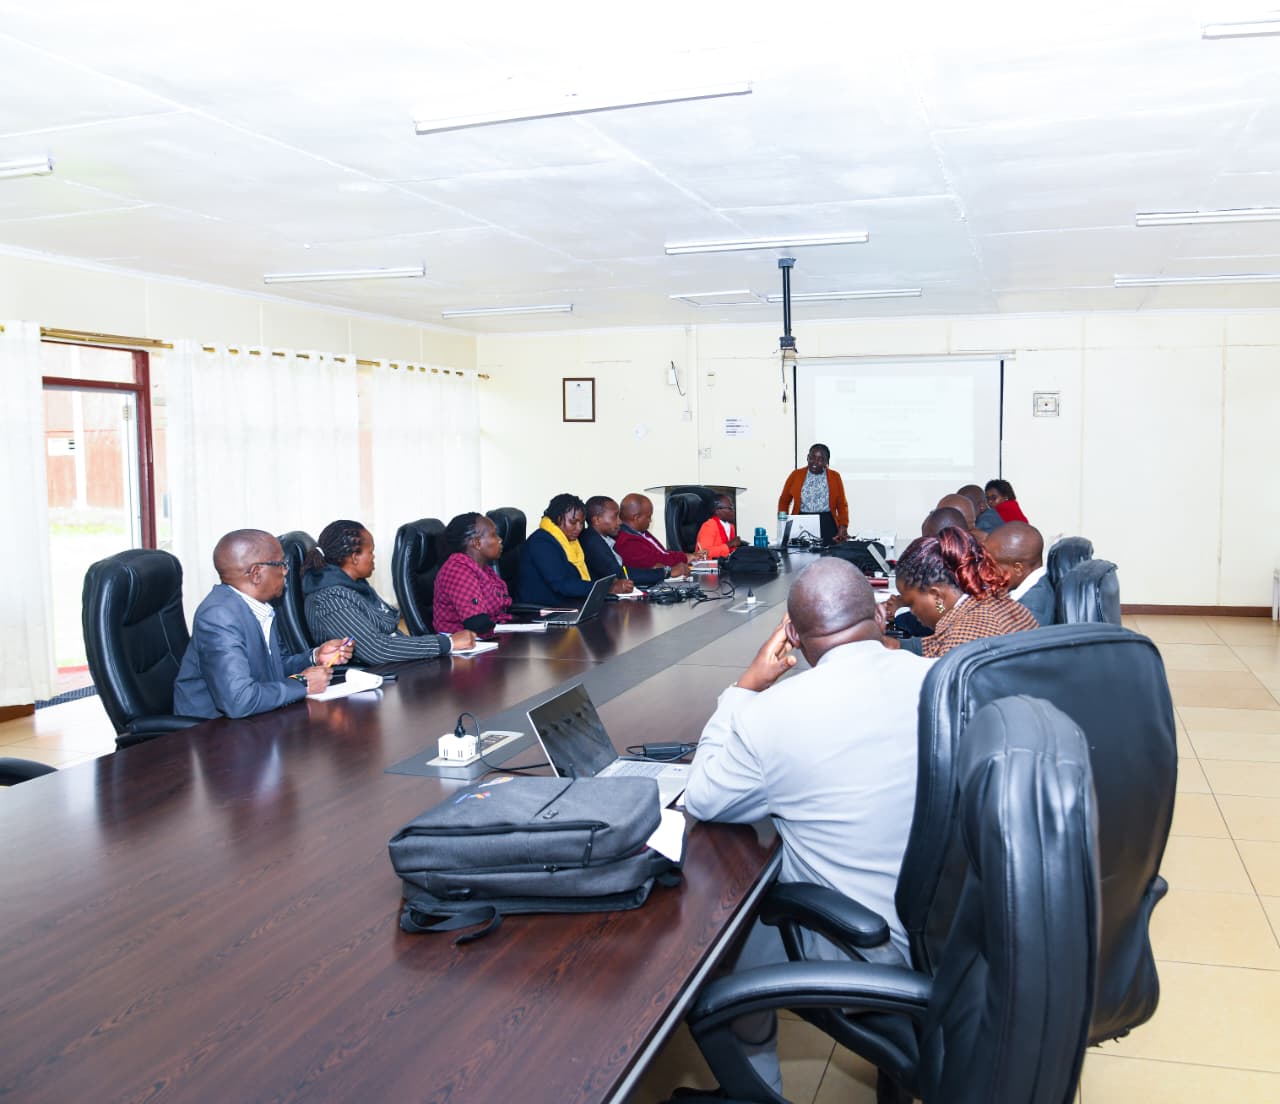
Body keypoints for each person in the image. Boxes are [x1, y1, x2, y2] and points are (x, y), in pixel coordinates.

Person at [684, 558, 932, 1091]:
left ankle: (757, 1089)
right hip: (963, 934)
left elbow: (703, 797)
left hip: (869, 948)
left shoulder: (772, 715)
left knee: (725, 944)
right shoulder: (944, 679)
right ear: (882, 616)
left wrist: (745, 687)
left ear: (792, 634)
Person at [175, 529, 353, 719]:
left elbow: (275, 666)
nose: (286, 571)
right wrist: (303, 683)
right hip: (209, 733)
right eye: (281, 564)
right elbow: (239, 700)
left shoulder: (260, 606)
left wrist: (315, 656)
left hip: (254, 722)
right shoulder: (218, 616)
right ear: (256, 574)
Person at [302, 520, 475, 663]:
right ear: (354, 558)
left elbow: (389, 630)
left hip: (393, 668)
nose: (373, 557)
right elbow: (377, 650)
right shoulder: (329, 599)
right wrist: (447, 643)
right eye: (370, 552)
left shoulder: (355, 585)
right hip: (369, 682)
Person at [885, 526, 1038, 657]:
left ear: (937, 596)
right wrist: (890, 644)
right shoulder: (994, 601)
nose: (912, 612)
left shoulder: (964, 639)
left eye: (911, 604)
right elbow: (937, 643)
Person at [519, 493, 633, 605]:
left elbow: (578, 578)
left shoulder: (570, 542)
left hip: (567, 605)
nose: (579, 528)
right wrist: (607, 588)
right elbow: (563, 585)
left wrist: (608, 583)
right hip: (545, 611)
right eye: (573, 522)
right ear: (558, 519)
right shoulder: (542, 543)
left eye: (582, 523)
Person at [432, 512, 515, 634]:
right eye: (494, 535)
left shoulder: (483, 568)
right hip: (464, 648)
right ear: (477, 543)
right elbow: (478, 624)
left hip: (486, 640)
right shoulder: (457, 568)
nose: (500, 540)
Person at [985, 521, 1053, 626]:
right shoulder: (1029, 588)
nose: (985, 570)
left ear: (1018, 569)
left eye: (991, 564)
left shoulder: (1029, 613)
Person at [777, 443, 849, 543]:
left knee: (827, 556)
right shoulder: (796, 475)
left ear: (826, 462)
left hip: (827, 522)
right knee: (800, 555)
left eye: (820, 459)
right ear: (807, 457)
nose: (815, 462)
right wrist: (783, 523)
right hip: (801, 521)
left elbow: (841, 505)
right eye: (812, 457)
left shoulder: (835, 476)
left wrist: (843, 526)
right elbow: (784, 501)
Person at [579, 496, 659, 586]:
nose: (620, 522)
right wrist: (664, 573)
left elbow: (623, 570)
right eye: (615, 517)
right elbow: (619, 575)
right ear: (597, 520)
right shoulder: (592, 543)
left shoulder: (603, 539)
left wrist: (652, 570)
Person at [614, 493, 696, 578]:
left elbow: (662, 553)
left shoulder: (640, 532)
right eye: (648, 517)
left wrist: (685, 556)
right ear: (636, 518)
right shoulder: (626, 542)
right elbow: (656, 564)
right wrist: (684, 557)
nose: (650, 520)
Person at [694, 494, 744, 559]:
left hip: (727, 562)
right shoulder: (709, 526)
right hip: (710, 566)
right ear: (718, 511)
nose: (733, 511)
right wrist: (729, 544)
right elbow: (703, 554)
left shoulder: (731, 526)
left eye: (733, 508)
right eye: (730, 508)